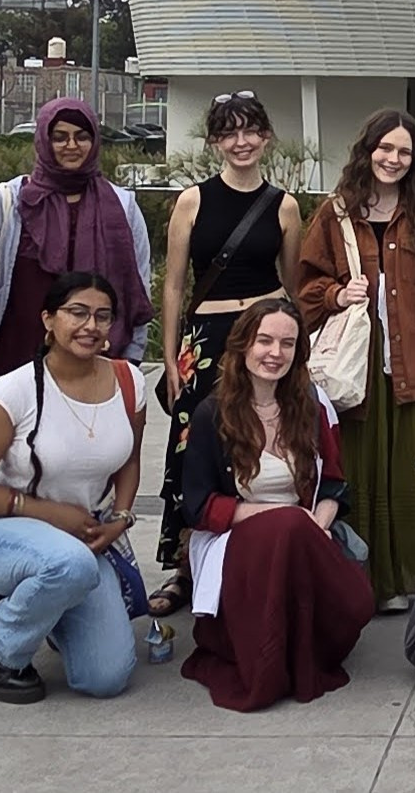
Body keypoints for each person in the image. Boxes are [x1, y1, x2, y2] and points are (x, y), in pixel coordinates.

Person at [0, 97, 154, 630]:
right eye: (61, 136)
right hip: (15, 352)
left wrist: (129, 356)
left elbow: (139, 280)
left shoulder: (122, 204)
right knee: (8, 464)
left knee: (82, 463)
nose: (72, 146)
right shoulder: (6, 202)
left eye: (82, 136)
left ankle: (83, 558)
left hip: (96, 352)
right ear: (43, 139)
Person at [296, 109, 415, 609]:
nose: (392, 159)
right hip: (357, 368)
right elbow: (304, 286)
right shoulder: (335, 212)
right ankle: (360, 582)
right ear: (367, 149)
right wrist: (333, 294)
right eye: (385, 148)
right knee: (358, 467)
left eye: (403, 152)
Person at [0, 273, 148, 703]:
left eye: (103, 316)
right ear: (48, 319)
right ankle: (1, 645)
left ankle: (55, 612)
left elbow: (130, 460)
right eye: (77, 312)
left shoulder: (130, 382)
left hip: (83, 540)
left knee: (106, 678)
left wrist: (120, 518)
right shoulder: (12, 392)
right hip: (1, 533)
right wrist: (48, 512)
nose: (91, 326)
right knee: (71, 566)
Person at [180, 299, 374, 710]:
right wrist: (285, 518)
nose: (275, 353)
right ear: (242, 346)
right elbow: (198, 507)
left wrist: (316, 527)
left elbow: (335, 484)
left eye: (287, 343)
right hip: (237, 538)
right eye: (264, 340)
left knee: (359, 604)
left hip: (304, 533)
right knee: (287, 527)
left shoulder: (309, 407)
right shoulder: (211, 414)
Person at [152, 90, 302, 614]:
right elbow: (173, 285)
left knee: (264, 436)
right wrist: (171, 357)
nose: (241, 142)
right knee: (190, 443)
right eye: (229, 132)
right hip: (208, 335)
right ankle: (183, 560)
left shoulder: (284, 205)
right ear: (216, 141)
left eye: (250, 131)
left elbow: (293, 285)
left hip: (262, 330)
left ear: (265, 137)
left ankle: (251, 546)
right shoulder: (192, 201)